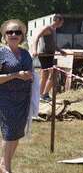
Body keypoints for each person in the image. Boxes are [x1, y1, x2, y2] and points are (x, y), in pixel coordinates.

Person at [0, 19, 33, 173]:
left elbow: (31, 72)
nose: (14, 34)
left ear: (22, 35)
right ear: (4, 35)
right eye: (10, 32)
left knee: (18, 132)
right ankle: (7, 168)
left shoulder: (26, 53)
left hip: (23, 98)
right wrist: (16, 75)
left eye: (18, 32)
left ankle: (3, 162)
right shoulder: (1, 53)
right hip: (6, 98)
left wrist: (30, 76)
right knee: (8, 132)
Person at [31, 14, 66, 102]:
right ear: (57, 20)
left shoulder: (54, 30)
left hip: (50, 55)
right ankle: (44, 94)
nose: (62, 24)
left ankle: (40, 95)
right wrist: (34, 50)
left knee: (46, 75)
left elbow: (53, 44)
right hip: (44, 55)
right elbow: (36, 37)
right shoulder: (47, 28)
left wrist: (60, 50)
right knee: (54, 73)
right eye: (61, 22)